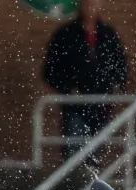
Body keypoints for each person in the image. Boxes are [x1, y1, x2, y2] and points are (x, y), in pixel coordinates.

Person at [42, 0, 128, 161]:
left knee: (95, 153)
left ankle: (89, 183)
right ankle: (74, 184)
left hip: (102, 105)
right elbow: (51, 70)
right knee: (74, 151)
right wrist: (69, 89)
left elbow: (120, 63)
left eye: (94, 3)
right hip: (76, 106)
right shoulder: (66, 35)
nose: (90, 7)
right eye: (87, 4)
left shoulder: (107, 34)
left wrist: (116, 86)